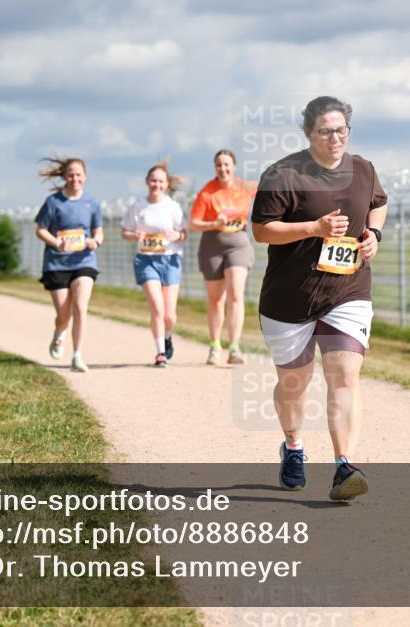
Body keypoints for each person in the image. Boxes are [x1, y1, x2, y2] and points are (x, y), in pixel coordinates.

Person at [251, 96, 387, 502]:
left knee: (344, 374)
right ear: (308, 132)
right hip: (289, 297)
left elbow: (378, 205)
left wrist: (374, 236)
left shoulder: (363, 169)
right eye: (325, 131)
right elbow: (261, 231)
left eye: (341, 130)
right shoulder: (283, 174)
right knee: (294, 382)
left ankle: (344, 465)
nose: (335, 138)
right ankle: (293, 446)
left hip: (347, 291)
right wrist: (315, 227)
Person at [34, 156, 103, 373]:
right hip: (57, 264)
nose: (75, 179)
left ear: (85, 176)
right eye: (71, 175)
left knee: (80, 307)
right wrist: (56, 243)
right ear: (65, 176)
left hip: (84, 261)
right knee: (64, 314)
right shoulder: (53, 202)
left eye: (79, 174)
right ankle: (59, 334)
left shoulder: (92, 203)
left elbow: (98, 230)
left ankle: (77, 356)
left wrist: (96, 240)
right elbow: (40, 229)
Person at [189, 150, 258, 365]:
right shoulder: (207, 193)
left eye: (227, 165)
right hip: (212, 245)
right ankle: (214, 345)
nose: (223, 169)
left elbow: (270, 186)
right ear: (215, 168)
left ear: (234, 167)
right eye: (219, 165)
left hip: (238, 244)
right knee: (215, 299)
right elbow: (193, 223)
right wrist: (213, 224)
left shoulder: (245, 187)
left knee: (236, 294)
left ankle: (234, 348)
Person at [121, 162, 188, 367]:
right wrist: (134, 236)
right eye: (153, 180)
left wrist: (176, 235)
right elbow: (124, 231)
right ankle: (160, 353)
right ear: (147, 182)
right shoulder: (138, 206)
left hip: (170, 260)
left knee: (169, 314)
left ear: (167, 184)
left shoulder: (173, 207)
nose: (156, 184)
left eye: (160, 181)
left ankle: (167, 335)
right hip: (146, 259)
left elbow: (183, 233)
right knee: (157, 308)